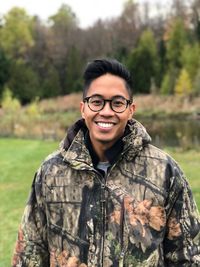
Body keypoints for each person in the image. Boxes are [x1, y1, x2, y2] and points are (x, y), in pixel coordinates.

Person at [12, 58, 200, 267]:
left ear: (131, 110)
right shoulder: (51, 172)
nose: (107, 112)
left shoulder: (164, 171)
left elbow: (188, 257)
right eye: (97, 101)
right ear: (83, 108)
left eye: (117, 103)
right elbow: (30, 253)